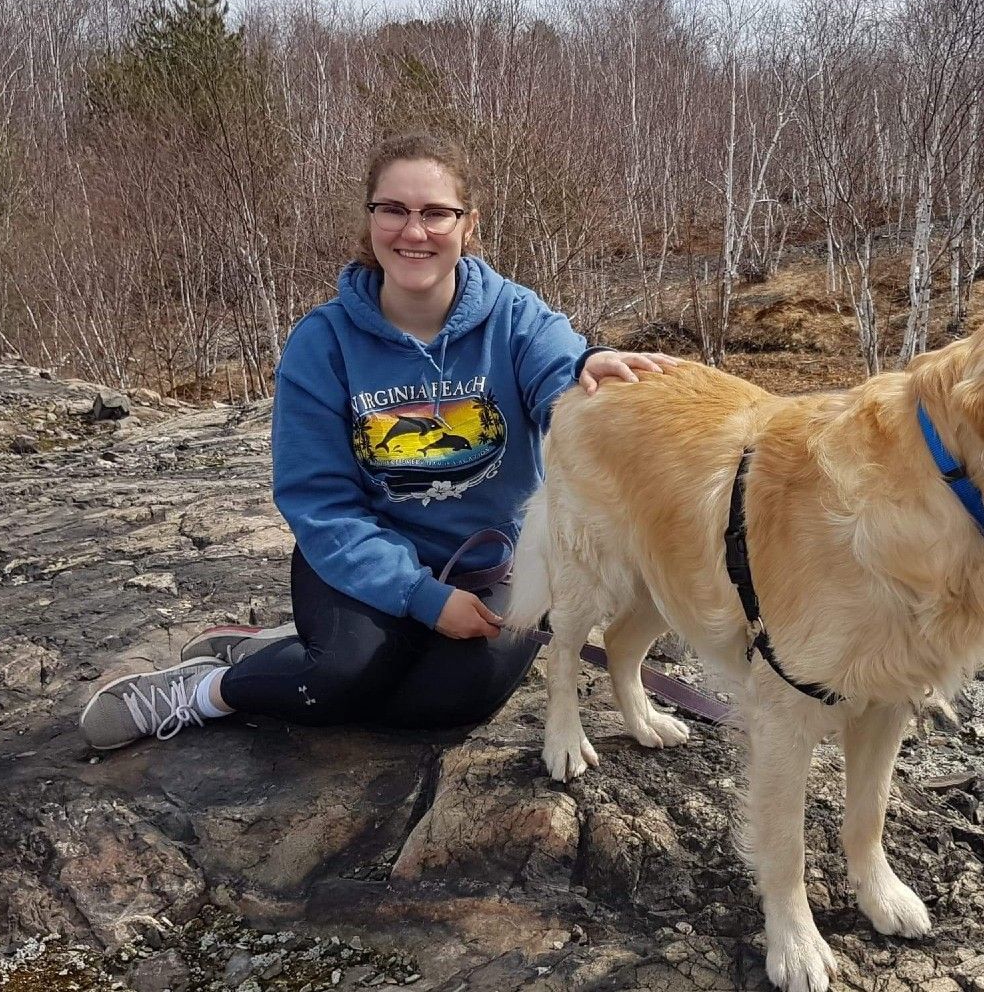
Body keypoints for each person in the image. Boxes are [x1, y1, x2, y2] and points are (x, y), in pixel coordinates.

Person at [79, 132, 678, 750]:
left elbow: (561, 373)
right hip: (359, 558)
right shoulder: (323, 342)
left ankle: (281, 653)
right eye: (392, 210)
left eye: (435, 213)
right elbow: (319, 501)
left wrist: (595, 367)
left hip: (488, 567)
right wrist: (421, 597)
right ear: (369, 222)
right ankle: (212, 688)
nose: (413, 231)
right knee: (337, 678)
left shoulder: (514, 317)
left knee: (447, 705)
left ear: (468, 225)